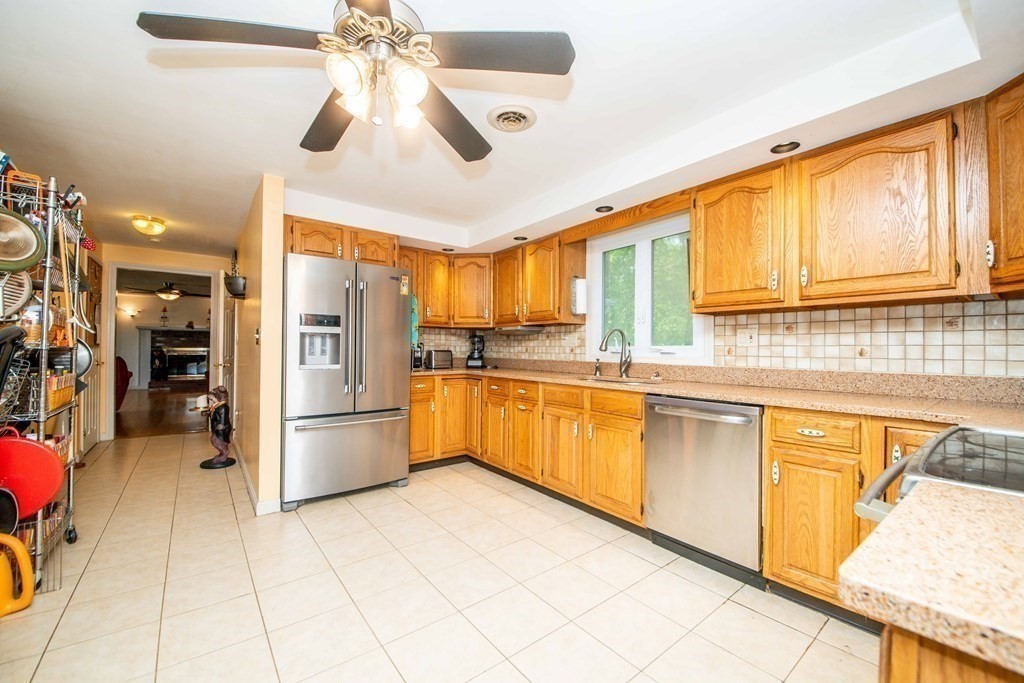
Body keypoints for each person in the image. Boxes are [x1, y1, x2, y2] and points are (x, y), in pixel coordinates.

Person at [200, 385, 235, 469]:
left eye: (213, 399)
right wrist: (207, 413)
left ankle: (224, 453)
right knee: (219, 442)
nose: (212, 400)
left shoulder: (223, 407)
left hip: (222, 429)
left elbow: (222, 419)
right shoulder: (217, 406)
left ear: (218, 397)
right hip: (217, 428)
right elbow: (213, 412)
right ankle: (222, 453)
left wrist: (220, 426)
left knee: (216, 441)